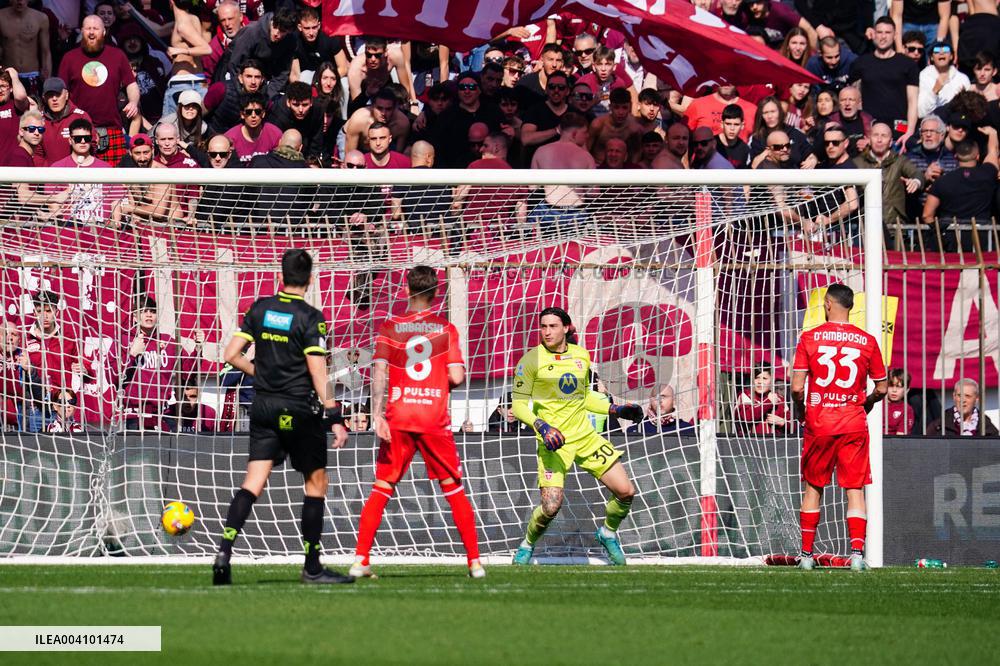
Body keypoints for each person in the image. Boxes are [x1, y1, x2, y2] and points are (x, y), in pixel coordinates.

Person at [213, 248, 352, 586]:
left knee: (253, 483)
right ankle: (312, 566)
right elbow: (318, 371)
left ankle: (224, 552)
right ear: (311, 279)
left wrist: (256, 371)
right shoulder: (310, 317)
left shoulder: (260, 308)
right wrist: (333, 412)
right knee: (316, 482)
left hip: (263, 406)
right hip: (298, 407)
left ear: (281, 276)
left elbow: (230, 354)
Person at [350, 266, 485, 579]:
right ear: (437, 294)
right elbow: (457, 376)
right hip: (433, 417)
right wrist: (437, 385)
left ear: (407, 291)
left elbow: (380, 373)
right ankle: (475, 562)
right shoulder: (445, 329)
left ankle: (361, 560)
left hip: (398, 414)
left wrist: (378, 415)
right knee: (452, 487)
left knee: (382, 485)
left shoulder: (390, 327)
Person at [510, 307, 645, 566]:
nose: (547, 332)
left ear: (567, 328)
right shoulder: (530, 361)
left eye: (552, 326)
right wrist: (542, 426)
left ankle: (607, 532)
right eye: (543, 326)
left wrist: (615, 408)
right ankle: (527, 545)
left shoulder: (581, 356)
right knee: (551, 507)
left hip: (585, 436)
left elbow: (584, 397)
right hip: (553, 442)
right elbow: (518, 406)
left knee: (626, 491)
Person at [791, 283, 888, 572]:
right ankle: (857, 554)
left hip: (820, 422)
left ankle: (807, 555)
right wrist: (867, 402)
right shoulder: (867, 340)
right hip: (853, 422)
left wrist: (802, 411)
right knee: (855, 489)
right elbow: (882, 387)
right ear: (851, 307)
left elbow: (797, 388)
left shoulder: (810, 338)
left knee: (814, 488)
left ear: (829, 305)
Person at [57, 15, 139, 165]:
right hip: (79, 129)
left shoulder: (117, 55)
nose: (92, 32)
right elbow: (62, 91)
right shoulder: (69, 58)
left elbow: (131, 84)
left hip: (111, 128)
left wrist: (133, 102)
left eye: (96, 28)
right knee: (79, 181)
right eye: (88, 28)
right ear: (82, 31)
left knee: (115, 183)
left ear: (104, 32)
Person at [120, 296, 202, 430]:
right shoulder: (124, 340)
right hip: (133, 415)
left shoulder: (168, 341)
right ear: (135, 316)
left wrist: (198, 348)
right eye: (143, 311)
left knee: (173, 446)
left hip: (161, 413)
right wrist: (132, 355)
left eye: (152, 311)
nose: (148, 315)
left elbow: (187, 373)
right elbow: (113, 376)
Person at [848, 16, 918, 148]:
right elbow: (854, 98)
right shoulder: (861, 63)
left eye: (887, 32)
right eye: (879, 32)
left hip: (899, 131)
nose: (883, 36)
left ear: (895, 35)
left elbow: (913, 101)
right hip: (869, 131)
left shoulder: (908, 64)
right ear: (873, 34)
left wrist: (910, 131)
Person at [922, 133, 999, 251]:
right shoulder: (988, 175)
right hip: (981, 239)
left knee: (952, 269)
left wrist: (939, 235)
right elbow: (993, 152)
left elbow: (927, 215)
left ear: (956, 156)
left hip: (951, 239)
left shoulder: (942, 181)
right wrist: (993, 134)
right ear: (978, 156)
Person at [853, 122, 923, 227]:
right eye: (875, 135)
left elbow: (917, 173)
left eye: (884, 136)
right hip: (865, 227)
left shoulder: (900, 161)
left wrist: (915, 182)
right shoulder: (857, 163)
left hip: (895, 226)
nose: (879, 140)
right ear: (869, 139)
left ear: (890, 142)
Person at [225, 8, 298, 99]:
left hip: (263, 78)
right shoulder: (252, 31)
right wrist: (243, 93)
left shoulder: (290, 41)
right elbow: (234, 64)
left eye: (282, 31)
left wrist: (267, 95)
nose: (276, 33)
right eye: (275, 26)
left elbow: (282, 73)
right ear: (272, 21)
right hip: (234, 74)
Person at [37, 77, 91, 165]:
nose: (54, 99)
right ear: (44, 98)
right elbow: (36, 152)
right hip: (48, 175)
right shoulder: (38, 119)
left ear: (66, 95)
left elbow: (92, 146)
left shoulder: (81, 116)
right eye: (50, 95)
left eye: (58, 94)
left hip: (77, 173)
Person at [0, 0, 52, 93]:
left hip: (32, 74)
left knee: (34, 106)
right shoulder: (1, 17)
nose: (20, 2)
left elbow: (45, 51)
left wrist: (47, 77)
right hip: (7, 74)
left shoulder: (41, 18)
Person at [926, 378, 999, 436]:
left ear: (976, 399)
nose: (963, 400)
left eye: (968, 396)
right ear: (954, 397)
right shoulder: (937, 426)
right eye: (959, 395)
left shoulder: (988, 429)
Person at [224, 93, 282, 164]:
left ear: (263, 113)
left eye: (258, 112)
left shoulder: (275, 134)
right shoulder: (230, 138)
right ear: (242, 114)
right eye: (249, 112)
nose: (253, 115)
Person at [918, 42, 970, 118]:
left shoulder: (962, 78)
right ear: (932, 57)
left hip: (955, 123)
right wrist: (934, 91)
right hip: (931, 123)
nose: (941, 53)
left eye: (945, 51)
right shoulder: (924, 76)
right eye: (937, 52)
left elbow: (967, 109)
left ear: (951, 56)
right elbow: (921, 112)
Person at [734, 366, 790, 435]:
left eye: (764, 378)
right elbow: (746, 417)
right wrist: (769, 402)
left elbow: (794, 426)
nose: (760, 382)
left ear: (772, 381)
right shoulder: (745, 395)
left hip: (775, 443)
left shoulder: (780, 399)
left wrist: (782, 422)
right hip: (749, 442)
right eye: (757, 378)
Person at [626, 384, 693, 435]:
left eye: (663, 397)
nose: (659, 400)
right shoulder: (635, 430)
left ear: (674, 400)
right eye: (656, 397)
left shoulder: (686, 429)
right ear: (650, 400)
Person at [885, 368, 915, 435]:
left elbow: (900, 438)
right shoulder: (877, 404)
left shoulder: (907, 410)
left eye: (899, 387)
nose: (894, 390)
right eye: (891, 386)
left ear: (907, 390)